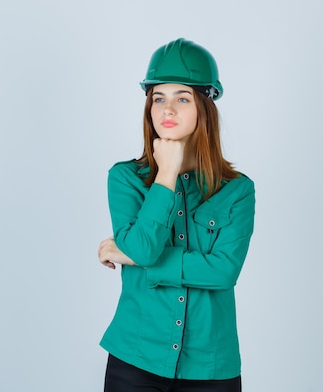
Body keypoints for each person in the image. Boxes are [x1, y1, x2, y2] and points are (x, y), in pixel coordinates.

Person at [97, 38, 255, 392]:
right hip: (134, 359)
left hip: (211, 367)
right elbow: (146, 249)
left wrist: (134, 257)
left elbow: (224, 271)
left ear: (204, 106)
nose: (167, 109)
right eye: (158, 98)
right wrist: (165, 177)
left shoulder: (237, 190)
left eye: (182, 98)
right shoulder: (125, 179)